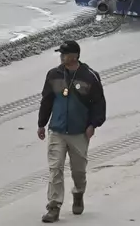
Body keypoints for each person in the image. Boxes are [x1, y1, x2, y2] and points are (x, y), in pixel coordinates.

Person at [37, 40, 106, 223]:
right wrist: (42, 124)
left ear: (74, 56)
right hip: (56, 130)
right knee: (55, 168)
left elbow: (99, 104)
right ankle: (54, 206)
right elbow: (47, 100)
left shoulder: (90, 76)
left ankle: (78, 193)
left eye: (64, 54)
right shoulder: (54, 75)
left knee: (78, 171)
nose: (61, 56)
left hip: (79, 133)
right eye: (61, 53)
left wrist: (93, 125)